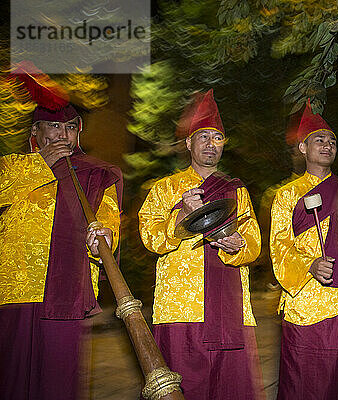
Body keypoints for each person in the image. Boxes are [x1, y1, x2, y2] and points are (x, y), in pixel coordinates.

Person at [0, 63, 122, 400]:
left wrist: (104, 242)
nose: (62, 135)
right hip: (15, 289)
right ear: (35, 133)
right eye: (53, 127)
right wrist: (43, 165)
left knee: (59, 381)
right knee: (11, 377)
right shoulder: (13, 166)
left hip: (67, 288)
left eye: (69, 128)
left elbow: (107, 219)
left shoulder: (98, 174)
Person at [138, 89, 264, 400]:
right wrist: (181, 216)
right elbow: (151, 239)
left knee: (230, 389)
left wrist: (238, 245)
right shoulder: (165, 188)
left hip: (229, 307)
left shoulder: (235, 190)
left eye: (217, 138)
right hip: (180, 308)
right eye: (203, 136)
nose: (210, 143)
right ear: (189, 144)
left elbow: (254, 244)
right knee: (181, 390)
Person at [270, 102, 338, 400]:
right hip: (304, 304)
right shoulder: (286, 195)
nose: (327, 145)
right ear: (303, 147)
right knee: (302, 383)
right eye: (319, 140)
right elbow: (279, 247)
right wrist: (309, 266)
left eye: (332, 141)